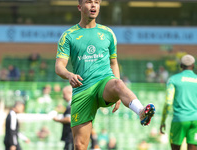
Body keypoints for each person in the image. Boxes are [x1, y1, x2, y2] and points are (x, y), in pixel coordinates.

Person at [55, 0, 155, 149]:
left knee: (118, 83)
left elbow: (114, 63)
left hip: (104, 84)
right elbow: (59, 66)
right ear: (79, 7)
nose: (94, 5)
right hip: (82, 90)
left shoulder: (108, 33)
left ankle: (141, 111)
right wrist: (69, 75)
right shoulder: (69, 35)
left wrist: (120, 95)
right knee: (80, 145)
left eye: (97, 2)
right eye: (89, 2)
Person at [160, 54, 197, 150]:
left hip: (180, 119)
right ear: (193, 66)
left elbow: (168, 103)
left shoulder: (174, 80)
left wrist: (163, 121)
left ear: (181, 65)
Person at [53, 85, 74, 150]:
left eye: (64, 94)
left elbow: (69, 119)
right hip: (70, 136)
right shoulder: (70, 105)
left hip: (70, 136)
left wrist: (57, 120)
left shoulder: (72, 105)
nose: (63, 96)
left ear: (70, 93)